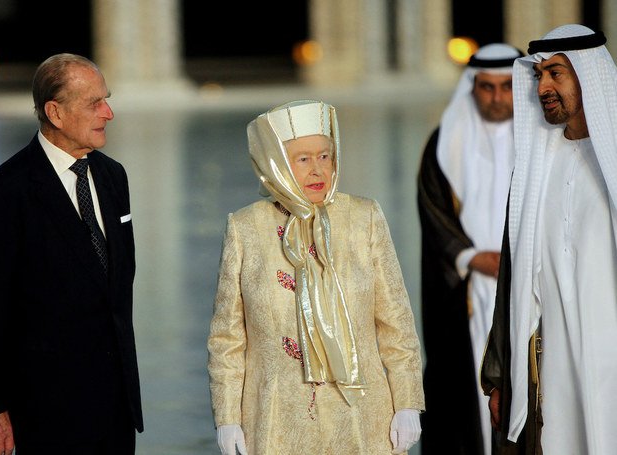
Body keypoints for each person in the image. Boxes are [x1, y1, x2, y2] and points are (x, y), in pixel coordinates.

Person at [207, 100, 425, 455]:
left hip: (363, 417)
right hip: (275, 419)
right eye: (303, 159)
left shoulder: (364, 218)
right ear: (275, 164)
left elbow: (395, 322)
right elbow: (227, 338)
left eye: (325, 156)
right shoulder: (245, 228)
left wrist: (408, 402)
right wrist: (227, 416)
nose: (317, 170)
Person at [0, 53, 143, 454]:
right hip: (43, 411)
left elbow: (112, 287)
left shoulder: (114, 178)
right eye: (95, 103)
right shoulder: (1, 196)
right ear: (55, 112)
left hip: (115, 406)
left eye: (106, 99)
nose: (108, 112)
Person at [480, 24, 617, 454]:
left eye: (556, 74)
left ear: (587, 76)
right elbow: (513, 287)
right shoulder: (535, 173)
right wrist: (503, 377)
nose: (543, 87)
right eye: (539, 75)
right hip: (555, 370)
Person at [417, 43, 522, 455]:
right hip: (470, 293)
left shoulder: (544, 139)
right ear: (472, 88)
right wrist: (469, 256)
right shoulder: (444, 143)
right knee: (468, 389)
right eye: (487, 88)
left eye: (507, 87)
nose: (497, 98)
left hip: (529, 285)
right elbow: (432, 209)